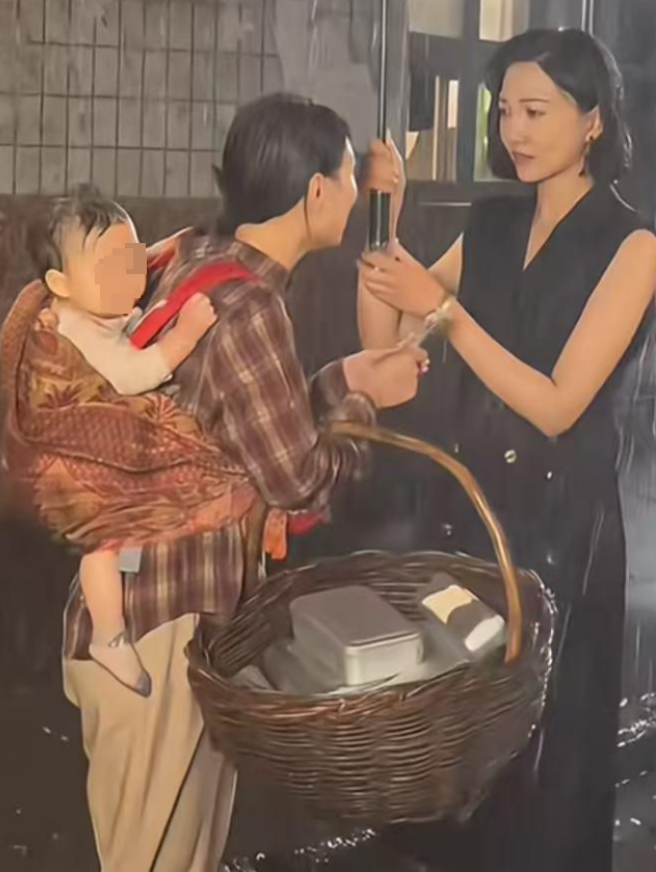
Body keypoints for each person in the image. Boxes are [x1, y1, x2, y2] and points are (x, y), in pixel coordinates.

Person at [25, 94, 426, 872]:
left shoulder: (200, 260)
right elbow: (299, 478)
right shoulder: (250, 307)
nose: (354, 193)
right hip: (160, 625)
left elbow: (248, 426)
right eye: (349, 177)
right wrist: (365, 406)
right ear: (316, 192)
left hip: (155, 609)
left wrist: (343, 376)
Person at [359, 29, 656, 872]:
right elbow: (386, 345)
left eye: (537, 111)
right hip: (470, 520)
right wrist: (383, 220)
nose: (514, 131)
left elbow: (559, 404)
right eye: (505, 113)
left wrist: (447, 313)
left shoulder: (632, 245)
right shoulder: (491, 223)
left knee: (551, 772)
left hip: (564, 536)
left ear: (593, 120)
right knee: (460, 755)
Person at [25, 191, 218, 697]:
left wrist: (166, 251)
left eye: (132, 259)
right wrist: (185, 336)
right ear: (61, 285)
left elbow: (132, 281)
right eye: (110, 268)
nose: (129, 276)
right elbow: (132, 373)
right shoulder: (72, 329)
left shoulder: (93, 306)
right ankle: (108, 637)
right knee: (103, 547)